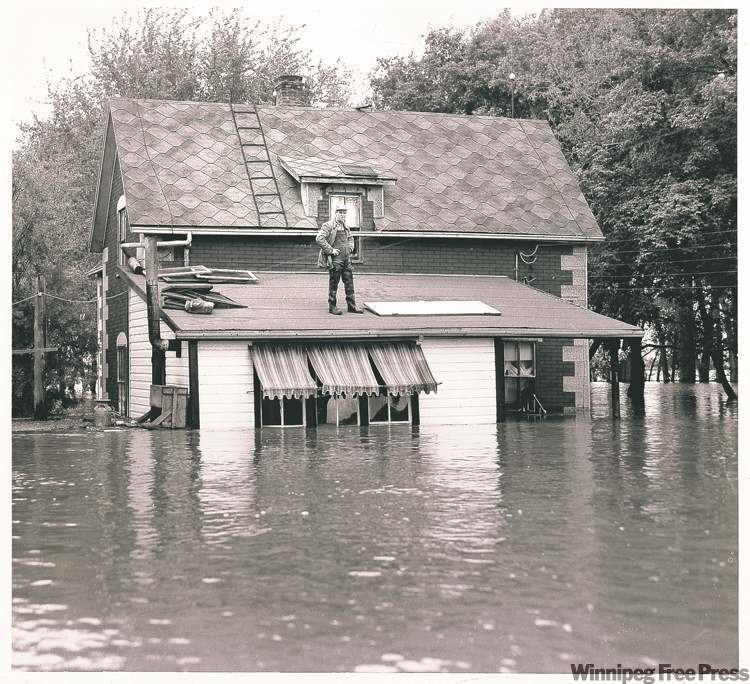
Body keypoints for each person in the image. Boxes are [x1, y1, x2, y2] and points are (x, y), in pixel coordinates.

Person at [316, 207, 364, 315]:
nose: (343, 215)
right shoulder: (328, 225)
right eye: (341, 213)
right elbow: (319, 238)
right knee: (334, 284)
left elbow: (351, 238)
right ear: (335, 213)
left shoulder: (346, 226)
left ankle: (352, 306)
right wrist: (331, 250)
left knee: (349, 283)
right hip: (335, 260)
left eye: (344, 213)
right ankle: (332, 307)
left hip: (346, 259)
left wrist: (351, 247)